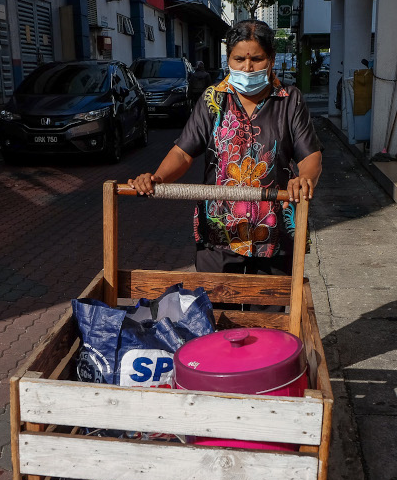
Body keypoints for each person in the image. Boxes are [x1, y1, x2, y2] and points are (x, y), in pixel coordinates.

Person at [129, 19, 323, 285]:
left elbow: (310, 155)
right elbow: (183, 153)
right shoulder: (213, 99)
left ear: (271, 59)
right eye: (239, 59)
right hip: (219, 231)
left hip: (274, 232)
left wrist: (305, 179)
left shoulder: (290, 100)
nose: (247, 67)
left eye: (256, 59)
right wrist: (159, 178)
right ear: (228, 59)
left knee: (266, 317)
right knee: (220, 314)